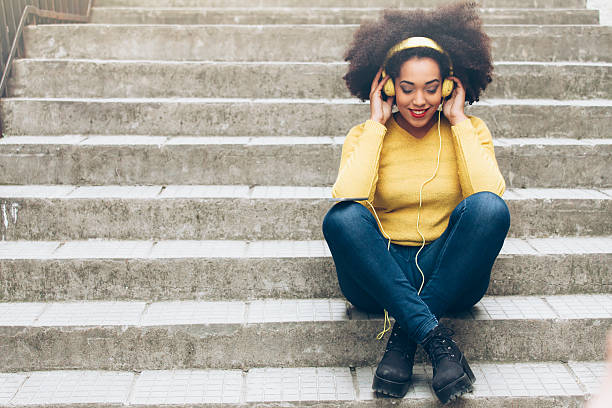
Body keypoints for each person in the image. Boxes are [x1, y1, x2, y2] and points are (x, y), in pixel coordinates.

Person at [321, 1, 510, 403]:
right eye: (406, 88)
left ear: (448, 85)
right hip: (381, 273)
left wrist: (459, 122)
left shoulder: (470, 129)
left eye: (431, 87)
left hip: (448, 271)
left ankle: (404, 340)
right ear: (387, 86)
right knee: (342, 218)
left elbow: (488, 195)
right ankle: (435, 337)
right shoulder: (365, 134)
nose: (419, 100)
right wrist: (376, 125)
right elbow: (347, 195)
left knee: (490, 210)